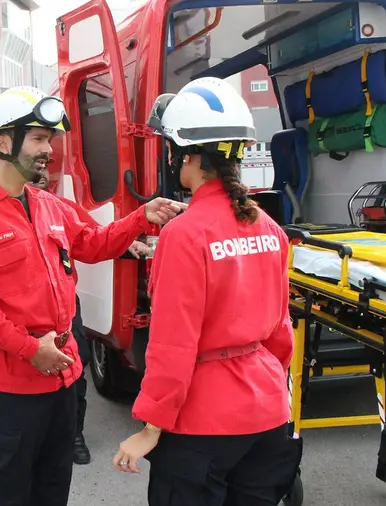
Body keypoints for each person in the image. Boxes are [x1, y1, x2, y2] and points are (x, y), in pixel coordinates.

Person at [0, 85, 186, 506]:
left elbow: (93, 242)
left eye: (49, 140)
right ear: (3, 141)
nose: (48, 150)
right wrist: (30, 349)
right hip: (13, 392)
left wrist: (139, 218)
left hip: (64, 383)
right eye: (37, 138)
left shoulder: (49, 205)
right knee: (7, 494)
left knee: (54, 489)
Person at [112, 77, 302, 505]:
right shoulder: (268, 227)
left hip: (203, 426)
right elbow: (280, 332)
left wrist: (150, 428)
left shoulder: (184, 235)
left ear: (189, 157)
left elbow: (172, 344)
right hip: (268, 413)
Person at [28, 172, 150, 465]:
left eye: (46, 169)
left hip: (65, 310)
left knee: (74, 372)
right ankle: (31, 438)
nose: (42, 174)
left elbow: (93, 234)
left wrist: (126, 240)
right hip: (24, 317)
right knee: (25, 380)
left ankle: (74, 435)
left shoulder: (58, 206)